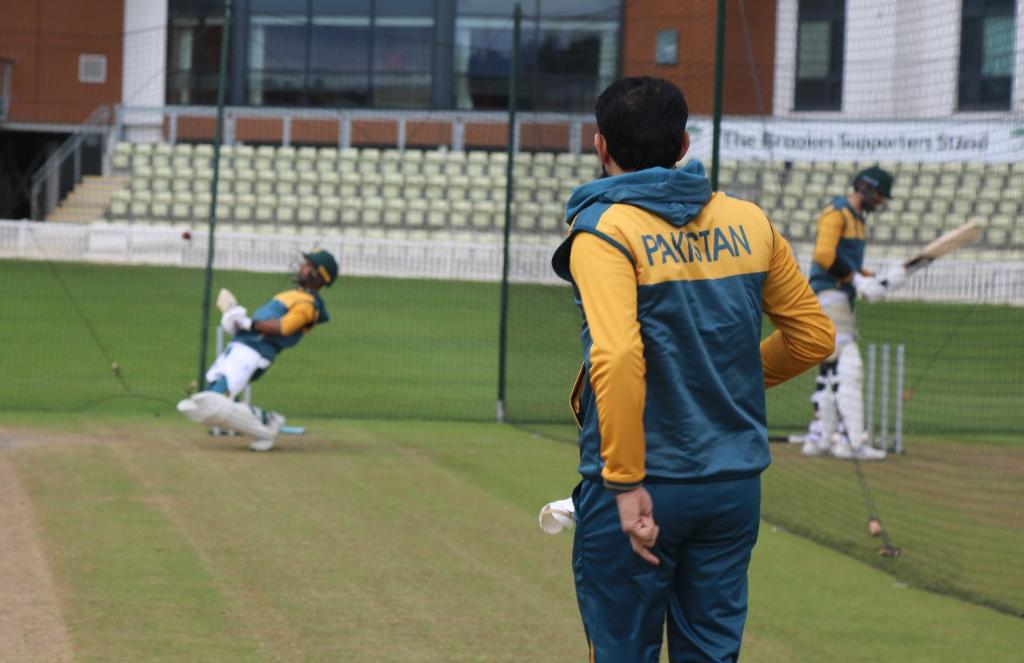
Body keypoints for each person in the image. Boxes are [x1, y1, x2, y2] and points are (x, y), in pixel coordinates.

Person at [550, 77, 835, 663]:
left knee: (621, 650)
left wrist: (625, 482)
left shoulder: (603, 230)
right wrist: (721, 383)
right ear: (684, 145)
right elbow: (813, 338)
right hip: (732, 487)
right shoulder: (750, 222)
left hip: (645, 481)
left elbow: (618, 356)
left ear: (600, 145)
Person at [177, 249, 338, 451]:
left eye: (307, 265)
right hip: (241, 346)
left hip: (254, 351)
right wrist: (235, 319)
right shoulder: (295, 295)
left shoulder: (308, 304)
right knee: (211, 398)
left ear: (318, 275)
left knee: (215, 401)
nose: (301, 267)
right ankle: (266, 419)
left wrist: (247, 323)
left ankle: (265, 428)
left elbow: (283, 327)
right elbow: (260, 323)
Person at [801, 166, 904, 461]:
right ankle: (848, 440)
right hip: (828, 294)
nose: (880, 203)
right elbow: (824, 256)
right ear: (866, 188)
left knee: (832, 366)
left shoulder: (858, 220)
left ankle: (819, 437)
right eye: (880, 196)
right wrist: (857, 279)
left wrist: (877, 278)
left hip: (840, 296)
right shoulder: (837, 214)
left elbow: (850, 266)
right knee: (848, 366)